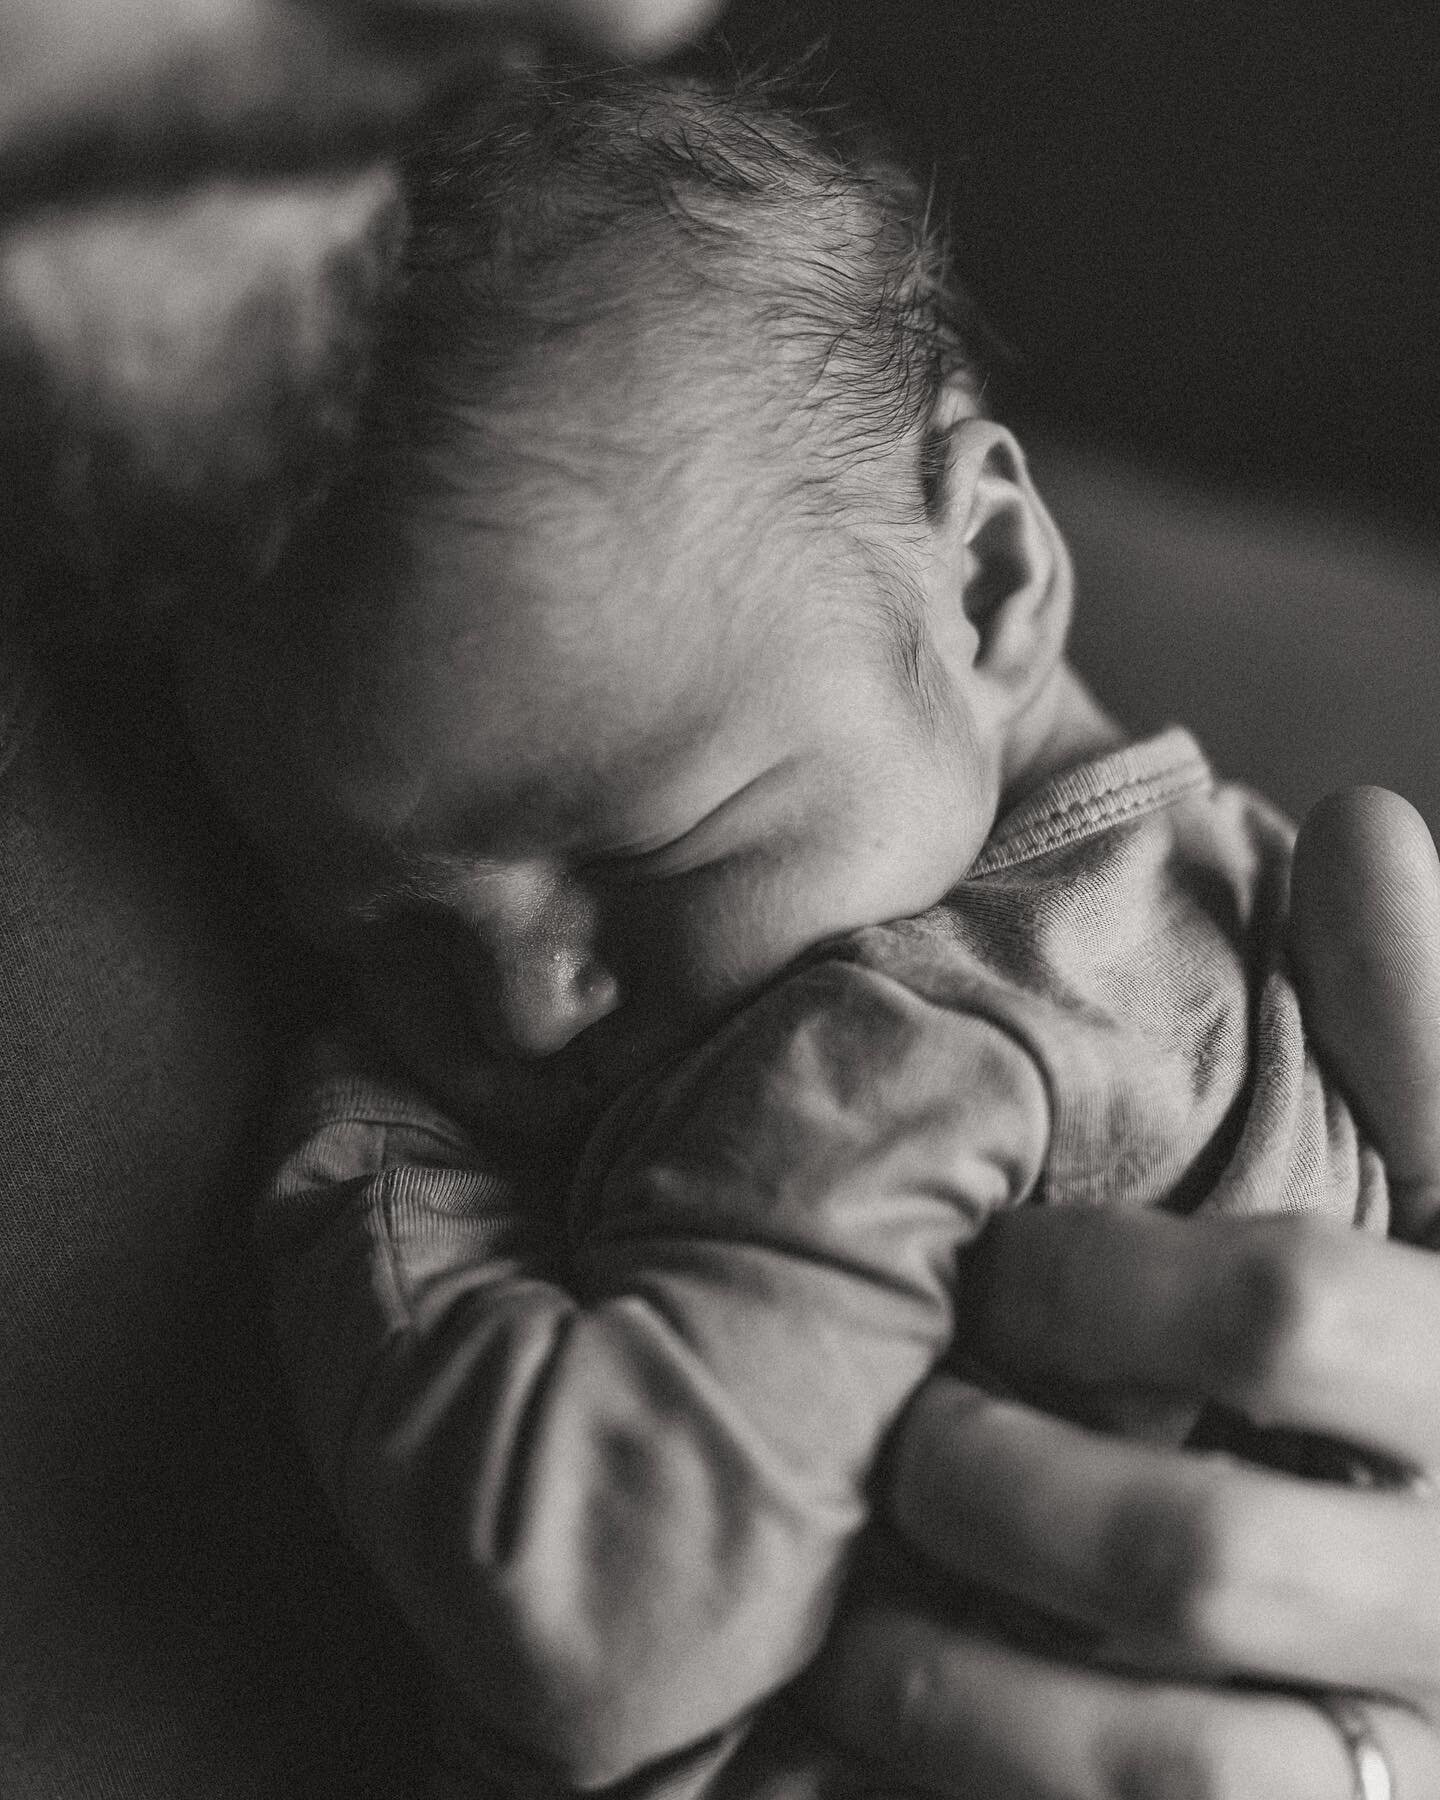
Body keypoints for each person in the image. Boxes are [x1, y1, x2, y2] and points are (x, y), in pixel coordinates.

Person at [176, 65, 1440, 1799]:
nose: (530, 1006)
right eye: (386, 941)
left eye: (652, 851)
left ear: (991, 579)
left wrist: (381, 1172)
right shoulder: (1228, 882)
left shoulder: (898, 1051)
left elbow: (605, 1632)